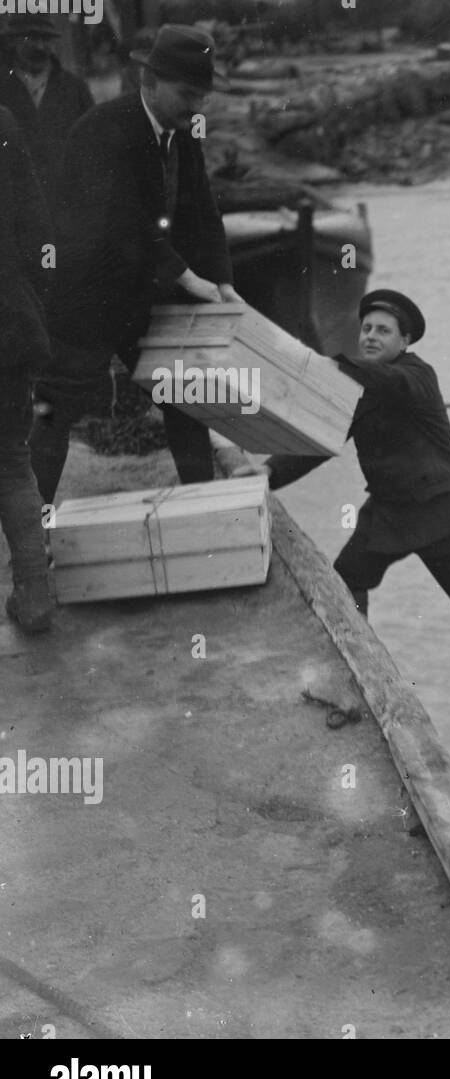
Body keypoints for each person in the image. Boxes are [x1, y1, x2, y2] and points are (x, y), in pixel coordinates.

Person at [237, 289, 450, 733]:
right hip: (391, 512)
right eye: (366, 329)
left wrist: (319, 365)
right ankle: (363, 673)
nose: (371, 336)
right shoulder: (358, 391)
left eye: (383, 331)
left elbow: (386, 383)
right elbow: (321, 442)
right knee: (346, 582)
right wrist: (267, 473)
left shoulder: (415, 376)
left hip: (444, 512)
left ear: (404, 342)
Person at [28, 24, 239, 506]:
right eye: (188, 94)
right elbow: (126, 220)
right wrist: (188, 278)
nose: (197, 107)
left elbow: (202, 211)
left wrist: (223, 281)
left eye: (202, 97)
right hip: (86, 297)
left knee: (185, 395)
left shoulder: (182, 134)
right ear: (151, 81)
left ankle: (200, 508)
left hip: (144, 293)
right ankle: (32, 527)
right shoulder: (102, 129)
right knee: (56, 410)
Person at [0, 105, 56, 632]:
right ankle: (35, 598)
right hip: (8, 325)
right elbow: (41, 231)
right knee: (11, 463)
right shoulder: (4, 122)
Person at [0, 13, 93, 200]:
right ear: (13, 41)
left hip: (67, 199)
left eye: (46, 39)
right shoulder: (2, 88)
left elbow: (93, 144)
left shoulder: (74, 88)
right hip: (16, 201)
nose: (41, 47)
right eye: (32, 38)